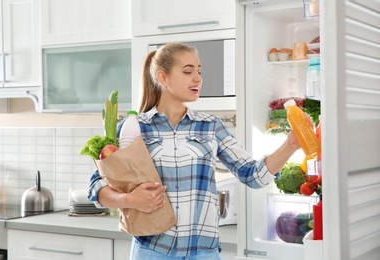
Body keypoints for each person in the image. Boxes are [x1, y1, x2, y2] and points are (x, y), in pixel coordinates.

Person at [88, 42, 301, 259]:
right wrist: (130, 200)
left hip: (203, 253)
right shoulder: (135, 127)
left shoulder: (211, 125)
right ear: (163, 77)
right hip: (152, 250)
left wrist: (290, 145)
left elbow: (253, 176)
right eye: (188, 71)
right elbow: (98, 187)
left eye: (199, 71)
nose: (198, 78)